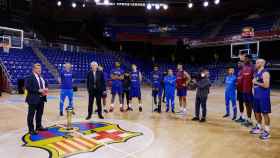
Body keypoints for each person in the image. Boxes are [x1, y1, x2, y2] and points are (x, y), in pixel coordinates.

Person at [250, 59, 271, 140]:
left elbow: (266, 85)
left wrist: (256, 82)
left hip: (263, 97)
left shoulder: (265, 73)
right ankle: (258, 127)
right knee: (257, 112)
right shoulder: (256, 73)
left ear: (262, 63)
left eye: (257, 62)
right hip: (256, 96)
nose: (255, 64)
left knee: (265, 113)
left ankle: (267, 131)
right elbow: (254, 84)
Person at [25, 63, 48, 135]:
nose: (39, 70)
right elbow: (28, 87)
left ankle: (38, 126)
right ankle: (31, 129)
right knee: (31, 115)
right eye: (37, 68)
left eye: (40, 69)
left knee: (39, 114)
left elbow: (45, 85)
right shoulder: (29, 77)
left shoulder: (42, 77)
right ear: (34, 69)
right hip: (33, 99)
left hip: (41, 98)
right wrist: (38, 90)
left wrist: (46, 89)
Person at [239, 53, 254, 127]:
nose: (244, 60)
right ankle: (249, 120)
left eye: (245, 59)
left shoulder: (253, 68)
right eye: (244, 59)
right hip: (244, 91)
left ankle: (258, 124)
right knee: (247, 105)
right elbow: (241, 79)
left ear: (249, 59)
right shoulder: (244, 68)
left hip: (251, 91)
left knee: (253, 106)